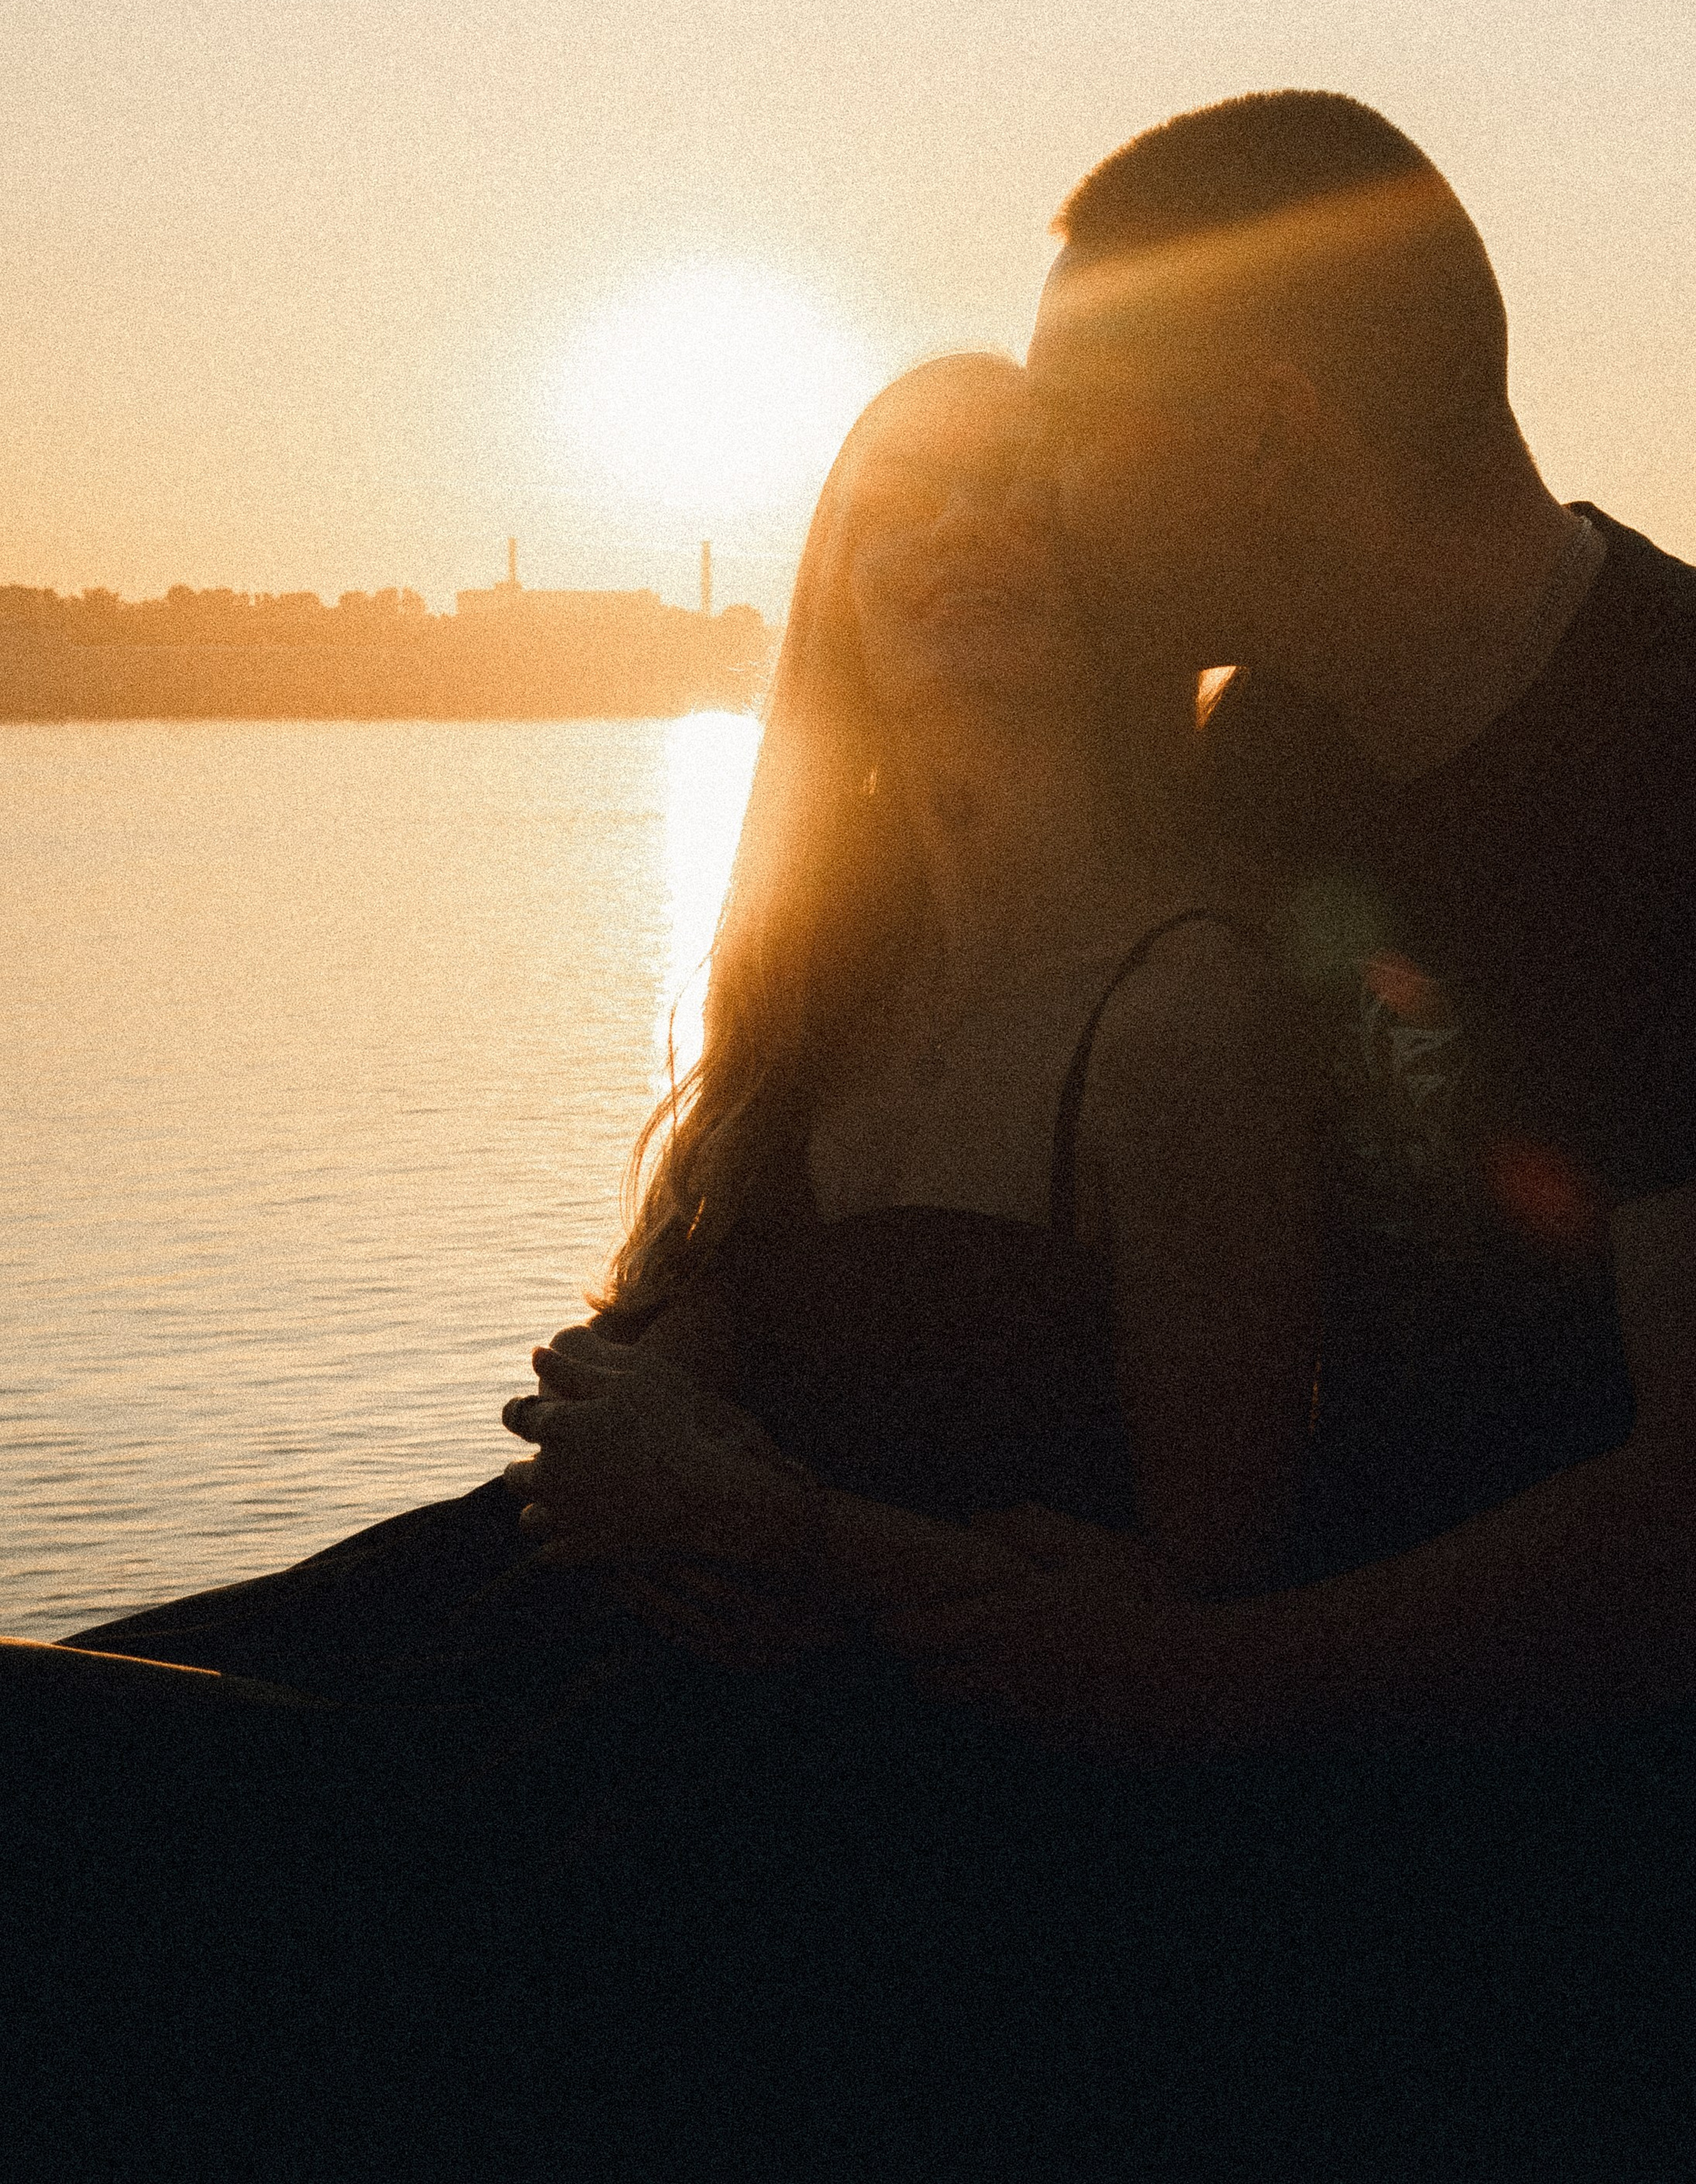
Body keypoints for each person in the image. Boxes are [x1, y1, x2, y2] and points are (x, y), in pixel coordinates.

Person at [7, 350, 1329, 2172]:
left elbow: (1205, 1607)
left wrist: (773, 1533)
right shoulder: (828, 990)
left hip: (809, 1795)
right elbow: (645, 1363)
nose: (956, 533)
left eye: (1015, 489)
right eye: (897, 504)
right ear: (837, 604)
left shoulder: (1179, 1016)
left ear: (1113, 572)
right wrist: (644, 1421)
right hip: (542, 1628)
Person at [878, 91, 1696, 2169]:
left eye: (1072, 420)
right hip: (1395, 1815)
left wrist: (1168, 1684)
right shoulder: (1283, 759)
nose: (1033, 489)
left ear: (1268, 422)